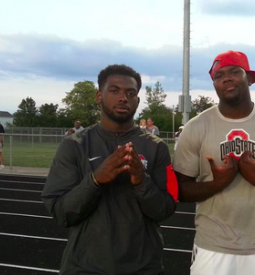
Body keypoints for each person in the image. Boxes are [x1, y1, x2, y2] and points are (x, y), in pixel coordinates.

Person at [173, 50, 255, 275]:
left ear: (249, 78)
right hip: (212, 245)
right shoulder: (196, 127)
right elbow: (181, 190)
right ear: (214, 83)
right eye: (219, 75)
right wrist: (217, 183)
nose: (227, 78)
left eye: (235, 71)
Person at [42, 64, 177, 275]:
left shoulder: (156, 146)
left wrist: (141, 181)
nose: (123, 97)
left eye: (130, 93)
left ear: (138, 101)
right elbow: (61, 213)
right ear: (99, 96)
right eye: (114, 91)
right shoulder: (74, 145)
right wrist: (95, 180)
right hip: (85, 267)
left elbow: (165, 209)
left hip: (143, 267)